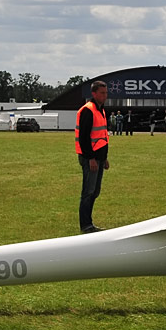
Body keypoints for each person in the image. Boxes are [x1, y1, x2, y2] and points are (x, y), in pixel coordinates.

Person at [75, 81, 110, 233]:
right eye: (102, 93)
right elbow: (83, 138)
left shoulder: (100, 110)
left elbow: (102, 135)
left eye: (106, 93)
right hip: (91, 158)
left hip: (99, 158)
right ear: (94, 94)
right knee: (88, 192)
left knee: (95, 192)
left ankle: (89, 223)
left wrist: (105, 157)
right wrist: (91, 159)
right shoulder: (88, 110)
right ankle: (86, 225)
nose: (105, 96)